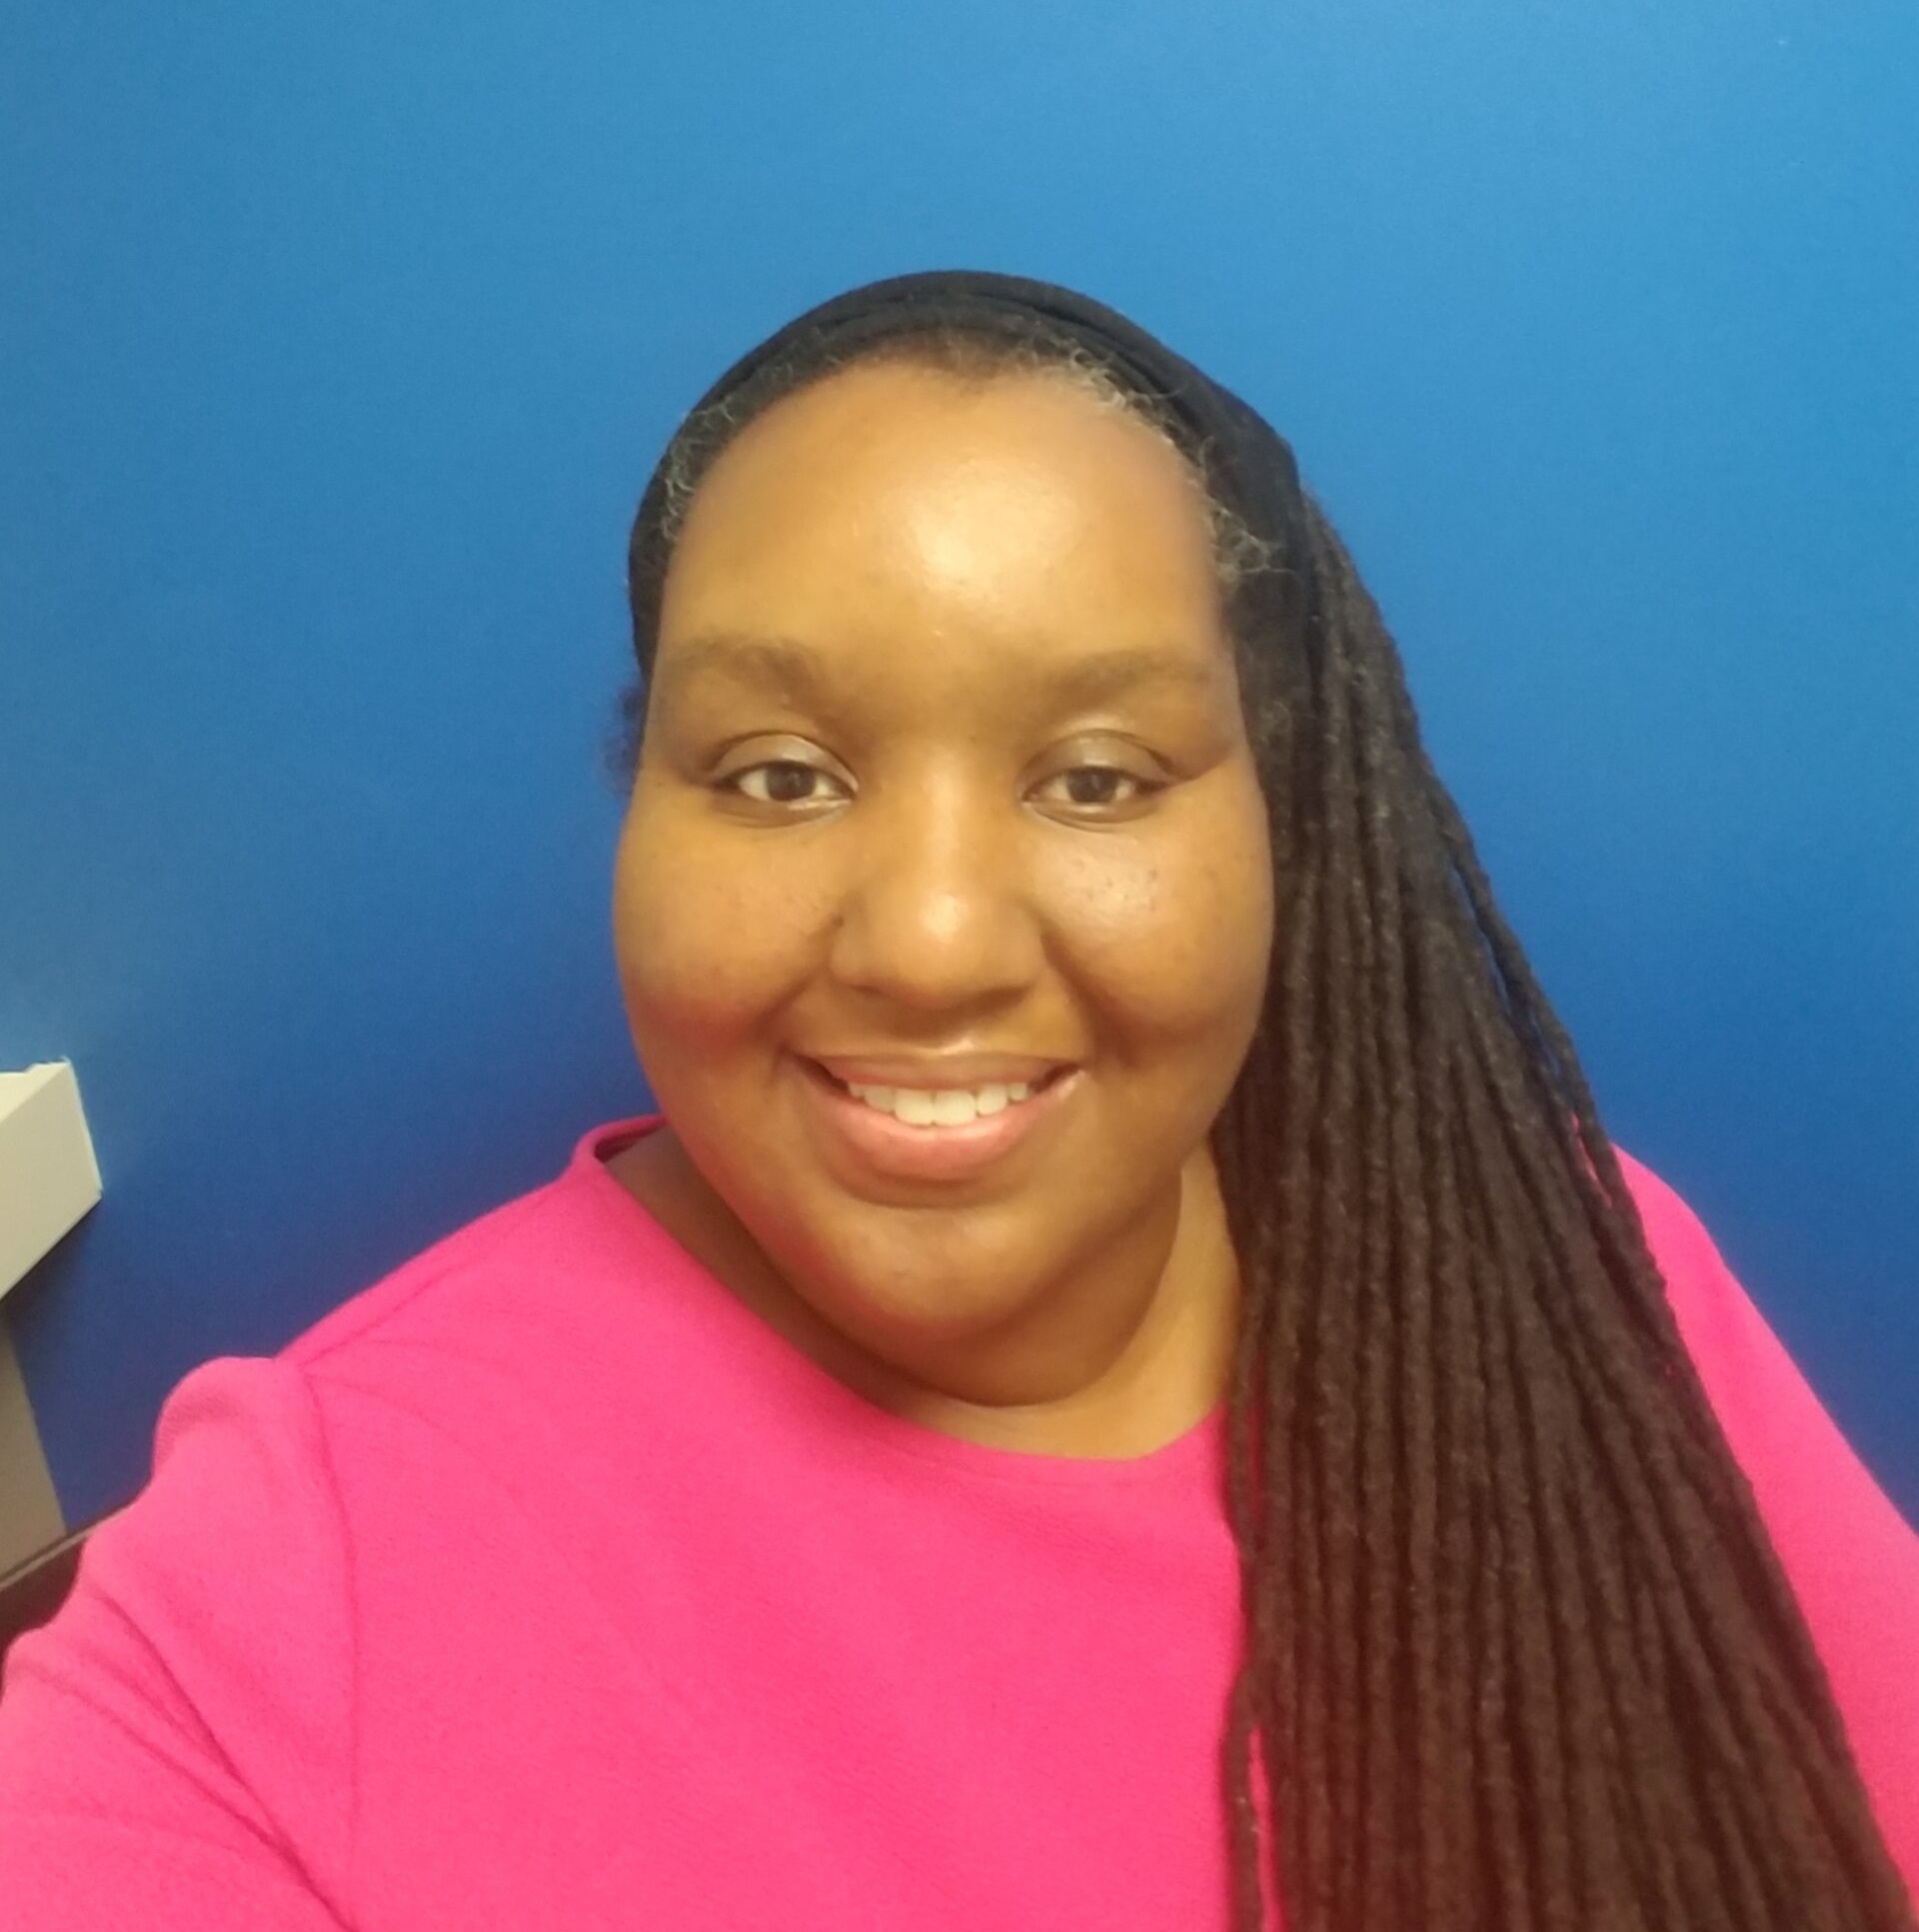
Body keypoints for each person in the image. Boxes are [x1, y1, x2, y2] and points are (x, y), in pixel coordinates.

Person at [1, 267, 1914, 1932]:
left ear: (1284, 826)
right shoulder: (285, 1595)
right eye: (779, 774)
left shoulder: (1577, 1282)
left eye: (1096, 778)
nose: (927, 946)